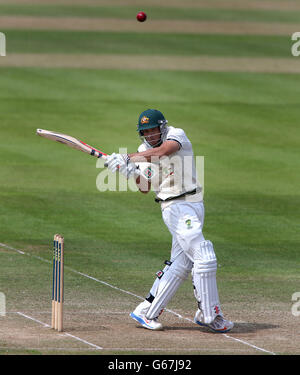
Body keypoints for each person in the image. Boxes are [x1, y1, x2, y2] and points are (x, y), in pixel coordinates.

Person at [105, 109, 234, 333]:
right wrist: (130, 172)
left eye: (152, 130)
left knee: (181, 264)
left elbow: (165, 150)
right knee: (204, 256)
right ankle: (210, 315)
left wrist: (128, 158)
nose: (150, 136)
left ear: (162, 127)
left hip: (195, 203)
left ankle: (146, 311)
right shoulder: (143, 151)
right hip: (175, 208)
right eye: (145, 132)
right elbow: (144, 188)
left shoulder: (176, 134)